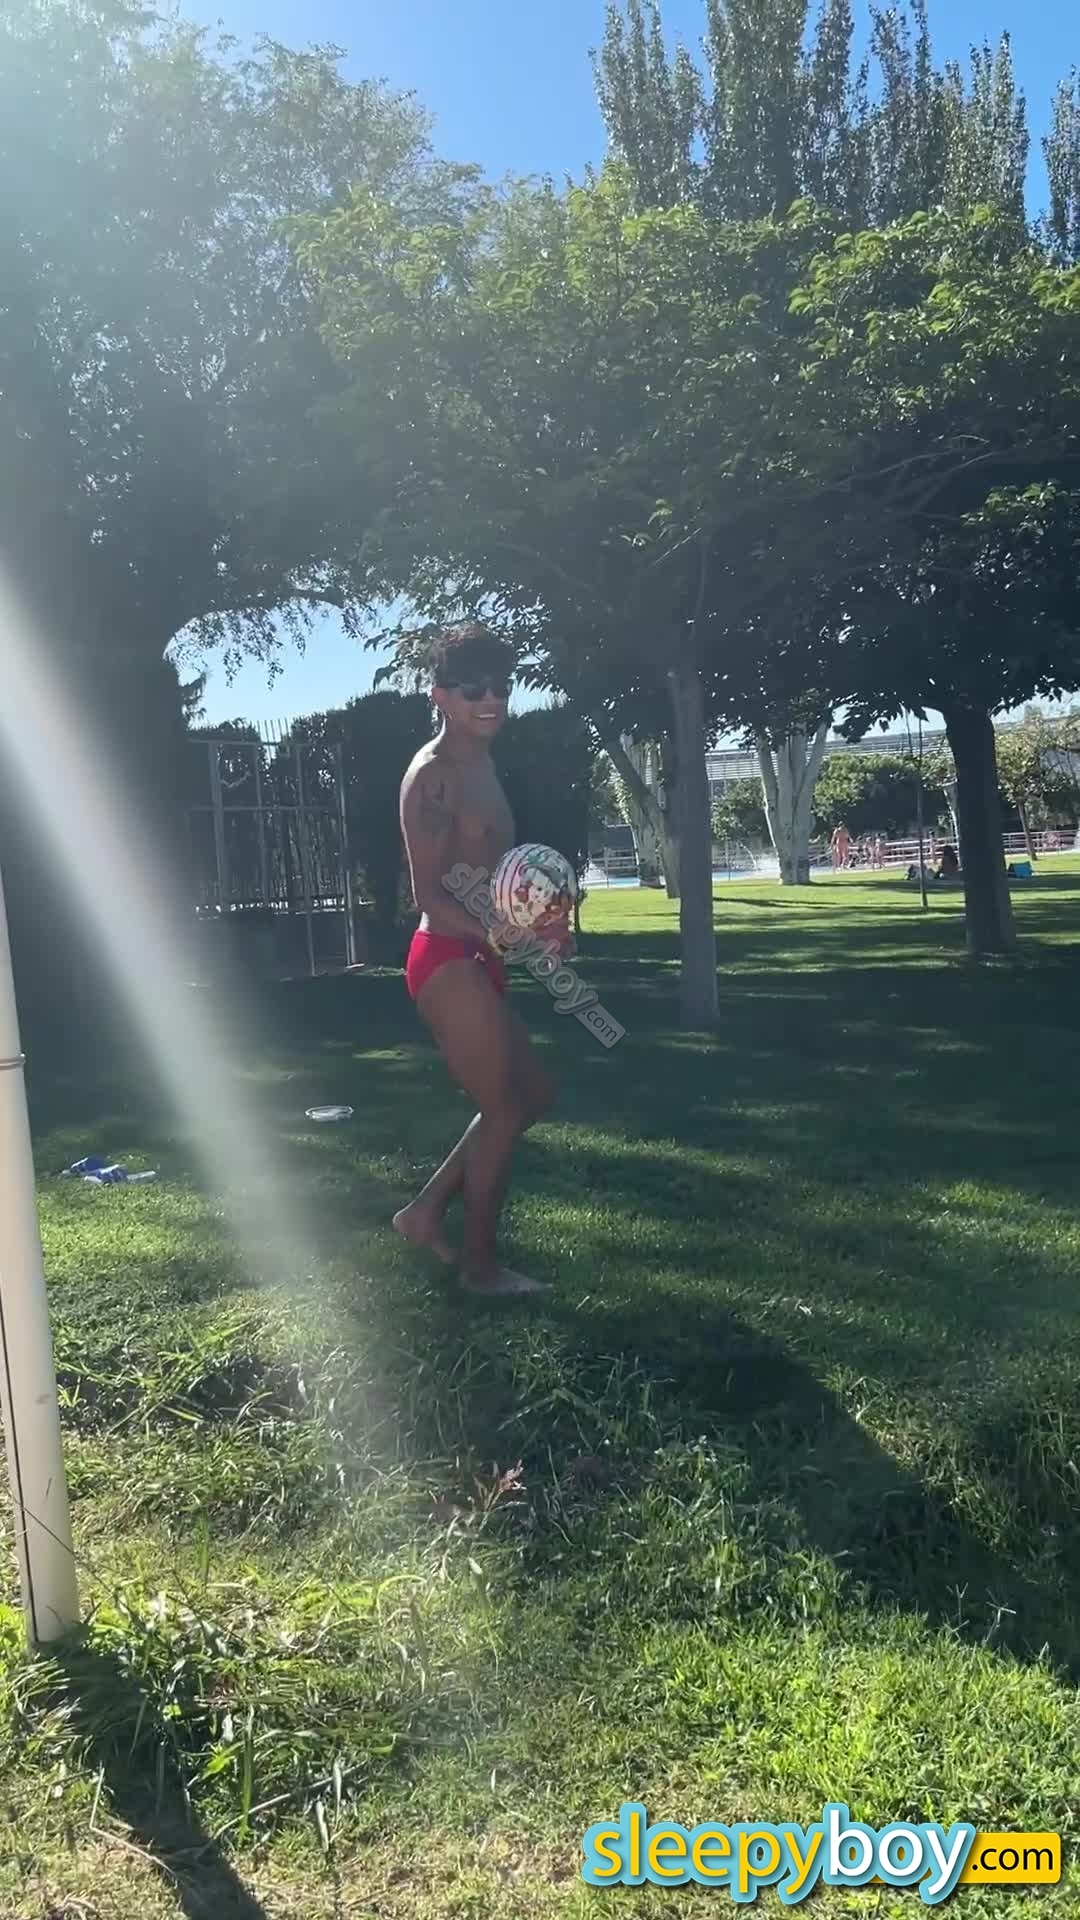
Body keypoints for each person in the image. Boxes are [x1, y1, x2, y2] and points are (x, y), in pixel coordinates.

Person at [393, 623, 570, 1296]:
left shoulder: (483, 763)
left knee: (532, 1095)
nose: (491, 699)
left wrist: (544, 918)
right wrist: (500, 935)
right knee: (502, 1110)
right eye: (473, 688)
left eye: (502, 685)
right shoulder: (434, 776)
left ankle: (423, 1213)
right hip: (445, 957)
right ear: (440, 695)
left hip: (478, 953)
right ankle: (480, 1270)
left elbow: (493, 874)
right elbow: (428, 895)